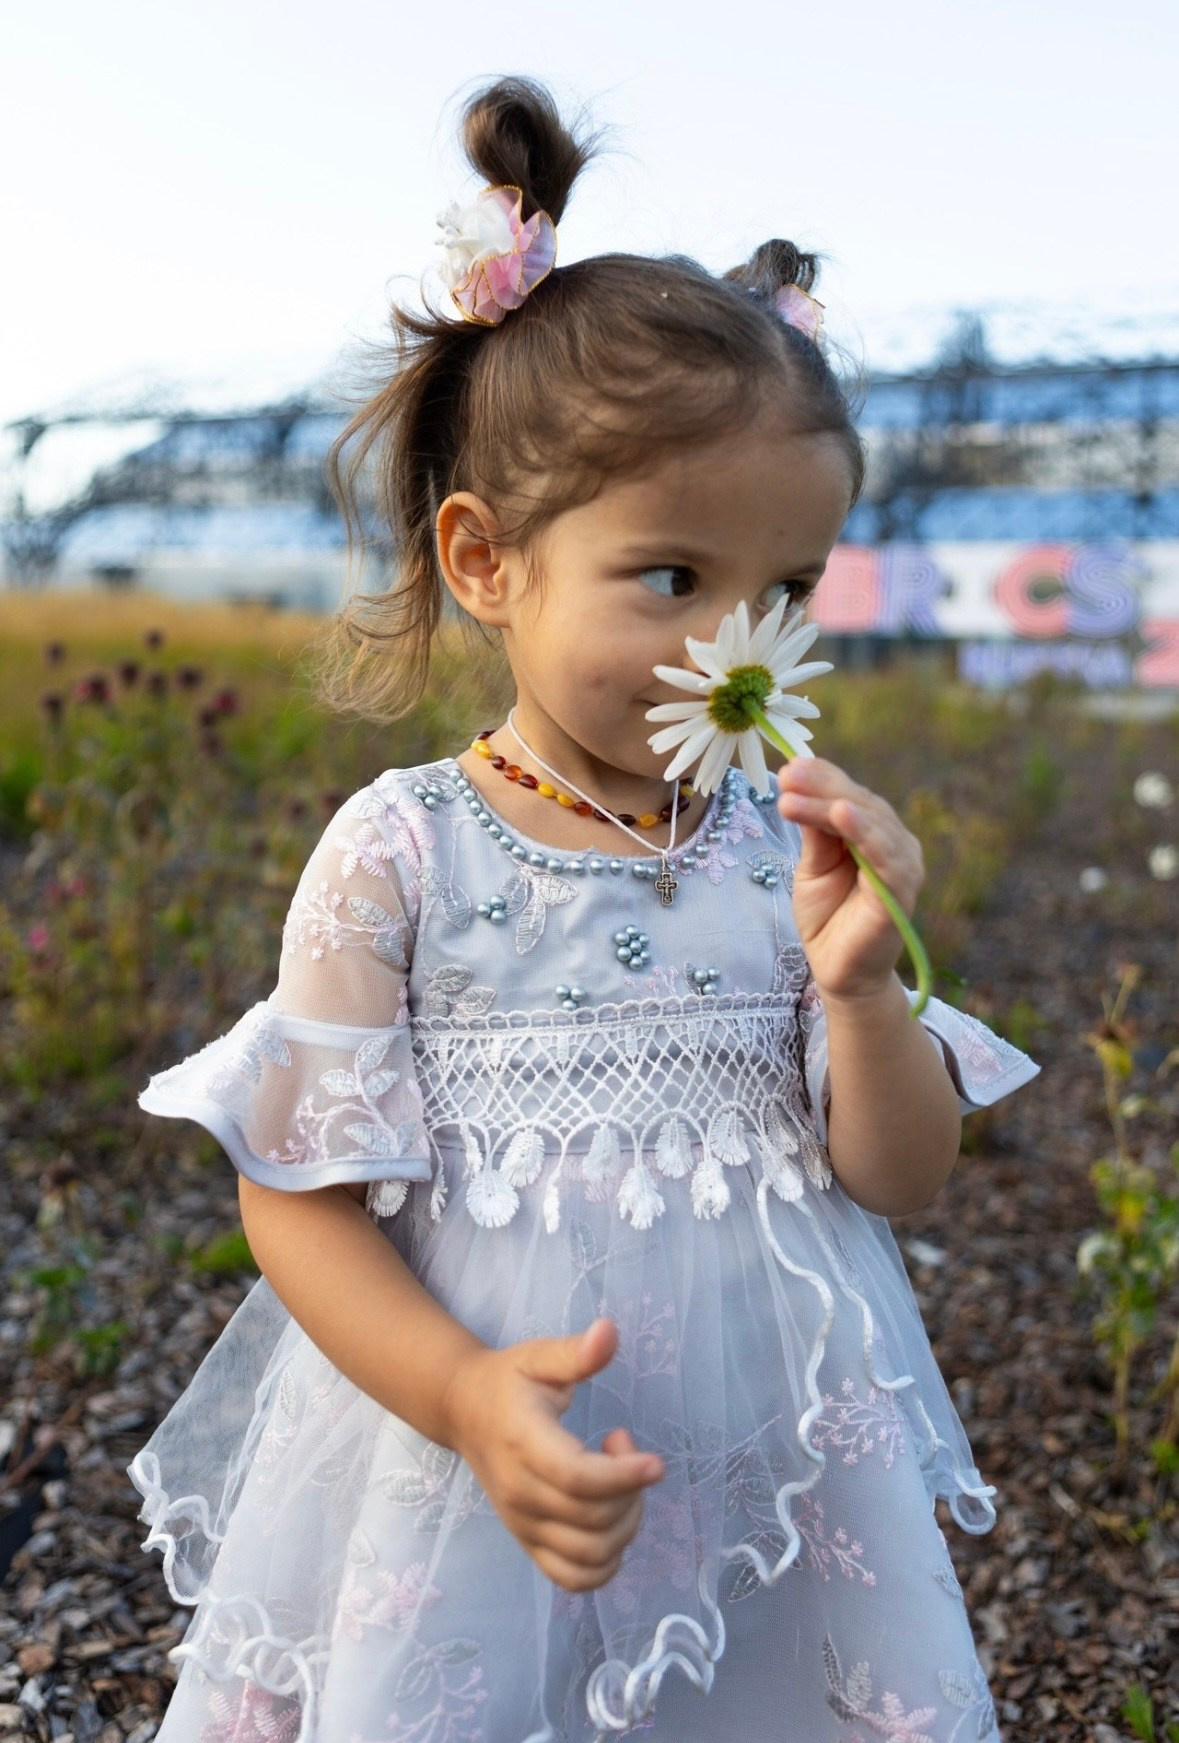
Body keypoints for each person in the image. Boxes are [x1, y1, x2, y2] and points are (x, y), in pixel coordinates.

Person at [126, 73, 1040, 1743]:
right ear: (486, 562)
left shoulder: (782, 840)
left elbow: (896, 1179)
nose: (734, 650)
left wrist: (862, 995)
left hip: (769, 1450)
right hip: (476, 1454)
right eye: (673, 578)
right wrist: (465, 1395)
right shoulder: (403, 853)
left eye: (784, 593)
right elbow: (300, 1201)